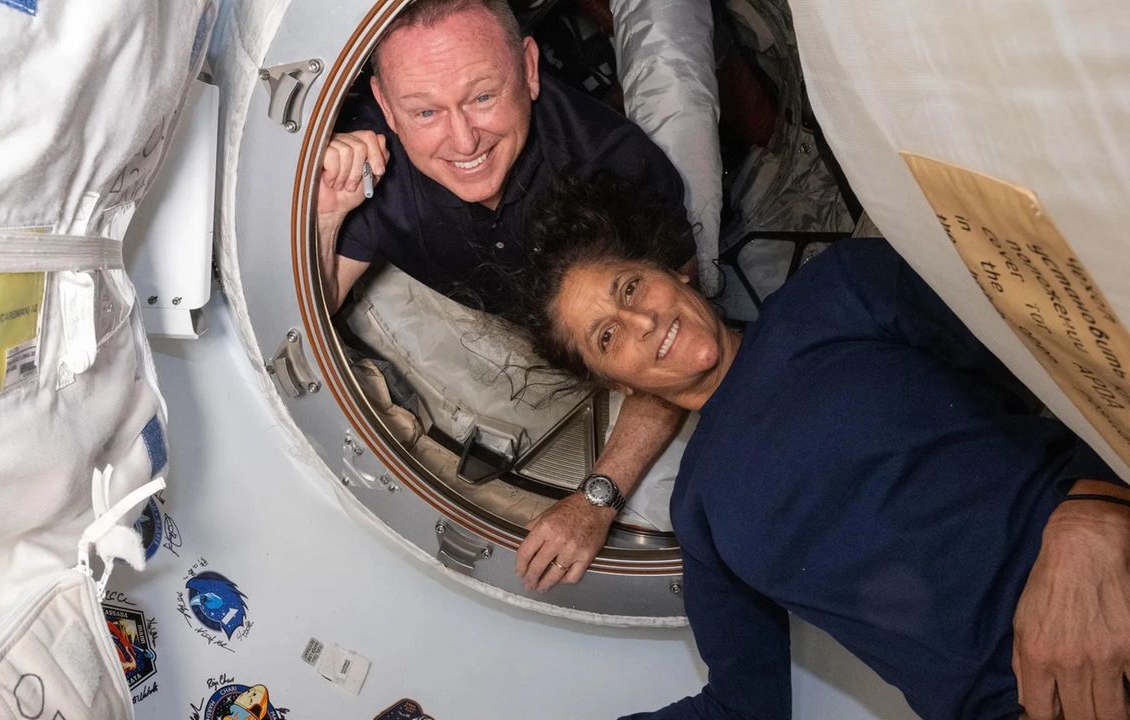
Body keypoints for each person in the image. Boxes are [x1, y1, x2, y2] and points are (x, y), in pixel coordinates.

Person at [506, 174, 1130, 720]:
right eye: (609, 335)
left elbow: (1075, 351)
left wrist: (1094, 513)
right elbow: (742, 708)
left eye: (631, 288)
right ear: (616, 383)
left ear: (673, 270)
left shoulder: (838, 291)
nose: (642, 323)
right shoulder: (699, 510)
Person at [316, 0, 699, 592]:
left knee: (676, 87)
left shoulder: (613, 167)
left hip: (615, 306)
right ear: (386, 106)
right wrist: (326, 216)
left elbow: (678, 343)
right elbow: (317, 307)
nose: (462, 138)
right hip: (503, 314)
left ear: (528, 67)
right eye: (424, 111)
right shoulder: (372, 162)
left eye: (482, 97)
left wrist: (597, 498)